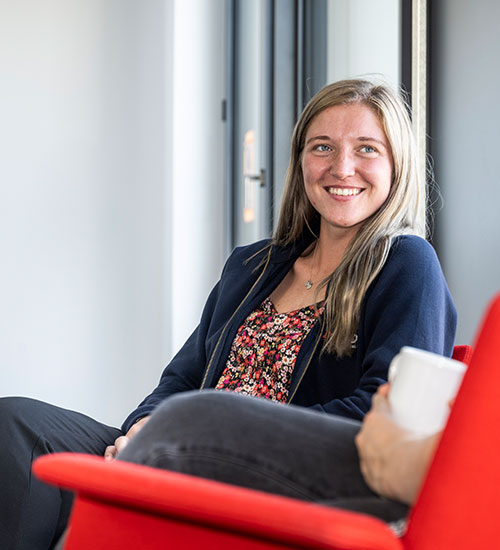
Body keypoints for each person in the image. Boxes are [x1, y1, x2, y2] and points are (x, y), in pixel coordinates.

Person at [0, 78, 456, 550]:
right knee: (16, 426)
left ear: (396, 165)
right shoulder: (252, 265)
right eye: (323, 147)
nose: (342, 167)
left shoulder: (405, 263)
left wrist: (223, 432)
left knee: (197, 417)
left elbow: (383, 416)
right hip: (183, 448)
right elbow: (180, 379)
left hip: (279, 474)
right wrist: (140, 430)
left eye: (366, 149)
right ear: (301, 160)